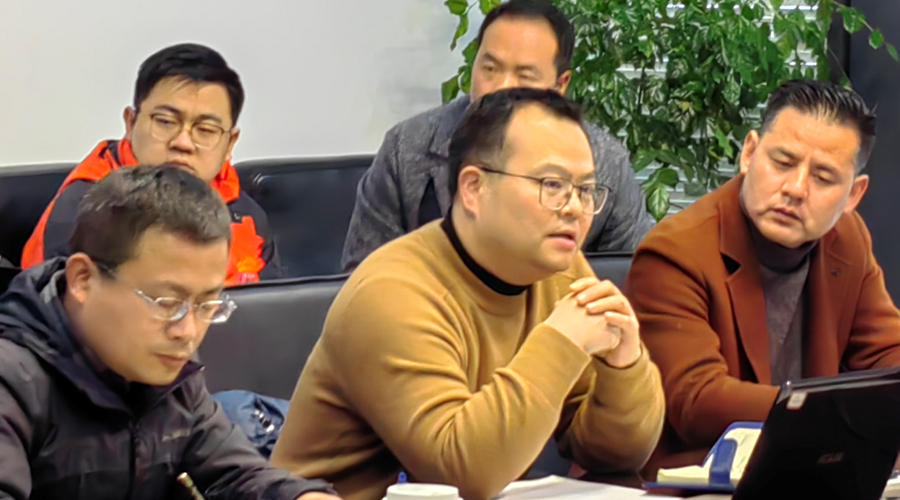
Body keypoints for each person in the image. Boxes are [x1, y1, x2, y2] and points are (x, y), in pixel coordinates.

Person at [271, 89, 664, 500]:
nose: (575, 208)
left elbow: (615, 456)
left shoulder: (559, 272)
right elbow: (462, 474)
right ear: (474, 187)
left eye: (585, 190)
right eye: (552, 184)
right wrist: (561, 342)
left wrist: (625, 366)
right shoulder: (393, 292)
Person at [0, 165, 338, 500]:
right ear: (83, 279)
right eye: (166, 302)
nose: (187, 332)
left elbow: (236, 475)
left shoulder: (169, 372)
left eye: (207, 304)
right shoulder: (13, 379)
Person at [625, 79, 900, 474]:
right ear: (750, 153)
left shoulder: (847, 238)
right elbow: (697, 402)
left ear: (853, 196)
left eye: (823, 178)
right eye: (783, 163)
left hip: (807, 470)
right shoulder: (675, 251)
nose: (796, 189)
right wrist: (834, 417)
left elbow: (886, 356)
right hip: (696, 479)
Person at [340, 0, 652, 270]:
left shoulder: (604, 162)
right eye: (489, 69)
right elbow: (363, 275)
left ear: (560, 85)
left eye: (524, 75)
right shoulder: (408, 147)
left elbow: (630, 275)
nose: (500, 88)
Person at [21, 43, 281, 285]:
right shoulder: (85, 208)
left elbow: (271, 307)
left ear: (230, 143)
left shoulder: (245, 213)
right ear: (131, 123)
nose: (183, 142)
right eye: (165, 122)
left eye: (205, 130)